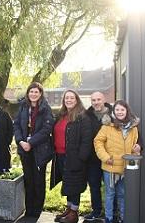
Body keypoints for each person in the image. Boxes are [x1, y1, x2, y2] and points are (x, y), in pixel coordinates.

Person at [94, 100, 141, 223]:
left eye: (122, 110)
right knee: (110, 194)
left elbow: (134, 146)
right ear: (114, 111)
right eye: (117, 110)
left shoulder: (133, 128)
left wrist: (136, 149)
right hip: (111, 166)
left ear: (127, 111)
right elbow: (98, 142)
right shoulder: (107, 126)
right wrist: (105, 157)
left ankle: (122, 218)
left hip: (126, 168)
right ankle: (108, 219)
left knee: (122, 194)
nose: (120, 112)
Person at [13, 82, 54, 219]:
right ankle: (29, 208)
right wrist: (20, 141)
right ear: (28, 93)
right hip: (24, 148)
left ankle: (37, 209)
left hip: (39, 149)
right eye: (31, 92)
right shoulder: (23, 106)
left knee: (38, 180)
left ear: (40, 93)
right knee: (28, 179)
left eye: (36, 92)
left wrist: (31, 142)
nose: (33, 94)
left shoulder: (45, 108)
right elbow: (17, 125)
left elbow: (46, 130)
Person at [51, 89, 92, 223]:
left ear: (77, 100)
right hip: (61, 156)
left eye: (71, 98)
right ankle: (69, 209)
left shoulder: (82, 116)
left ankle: (74, 213)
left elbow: (87, 139)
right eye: (66, 98)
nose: (68, 100)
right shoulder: (61, 115)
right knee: (68, 183)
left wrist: (81, 157)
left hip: (75, 157)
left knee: (75, 184)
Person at [84, 91, 113, 221]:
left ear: (104, 100)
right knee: (94, 185)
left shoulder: (114, 114)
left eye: (98, 100)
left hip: (110, 158)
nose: (96, 102)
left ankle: (112, 213)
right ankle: (96, 211)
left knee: (111, 187)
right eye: (93, 100)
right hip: (92, 158)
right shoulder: (86, 115)